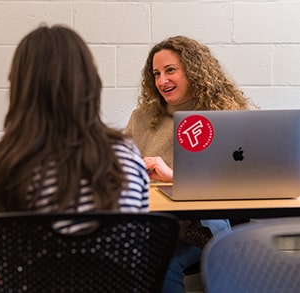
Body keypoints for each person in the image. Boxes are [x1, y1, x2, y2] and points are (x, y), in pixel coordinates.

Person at [0, 24, 149, 219]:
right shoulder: (126, 159)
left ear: (19, 88)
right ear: (90, 83)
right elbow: (139, 242)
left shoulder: (0, 167)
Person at [125, 35, 253, 293]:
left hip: (200, 231)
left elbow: (240, 184)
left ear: (193, 70)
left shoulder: (226, 116)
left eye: (170, 70)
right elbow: (119, 168)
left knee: (159, 261)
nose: (162, 81)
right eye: (156, 74)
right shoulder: (142, 118)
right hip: (148, 226)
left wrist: (173, 176)